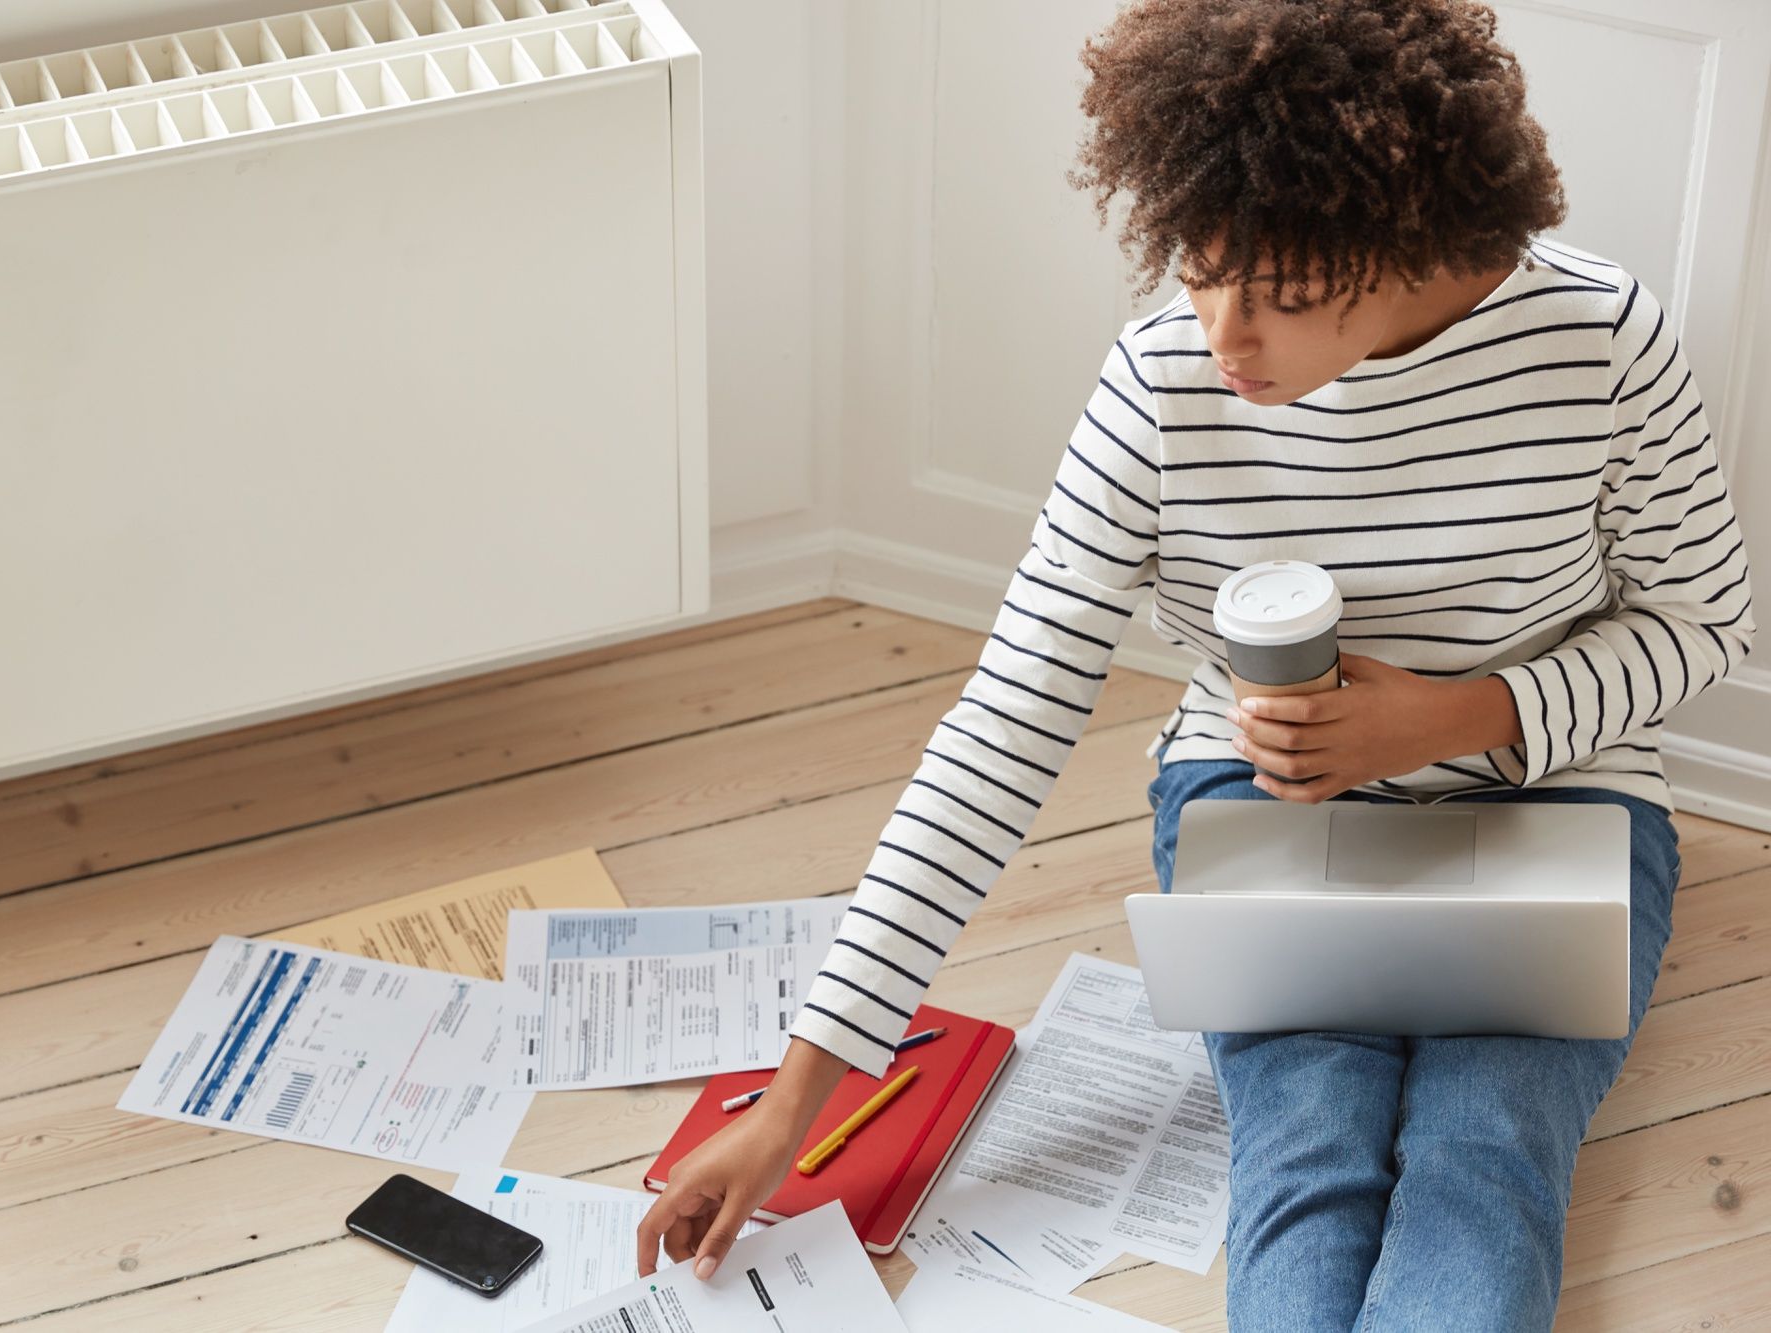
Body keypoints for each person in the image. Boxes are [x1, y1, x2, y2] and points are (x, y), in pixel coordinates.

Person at [636, 0, 1753, 1326]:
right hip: (1266, 804)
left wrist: (1457, 717)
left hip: (1560, 801)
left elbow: (1705, 622)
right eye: (1200, 267)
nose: (1226, 336)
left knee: (1485, 1155)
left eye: (1280, 293)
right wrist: (794, 1100)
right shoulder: (1162, 385)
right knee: (1307, 1152)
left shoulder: (1605, 345)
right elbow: (1002, 731)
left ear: (1405, 236)